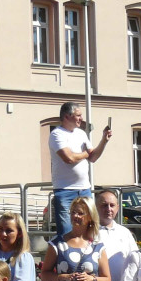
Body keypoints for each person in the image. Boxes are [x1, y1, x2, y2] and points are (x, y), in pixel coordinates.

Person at [49, 101, 113, 236]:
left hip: (84, 189)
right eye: (78, 115)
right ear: (67, 116)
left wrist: (104, 140)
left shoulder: (81, 133)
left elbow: (93, 157)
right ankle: (66, 256)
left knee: (89, 228)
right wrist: (85, 154)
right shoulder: (57, 134)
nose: (81, 118)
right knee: (66, 231)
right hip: (64, 191)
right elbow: (69, 158)